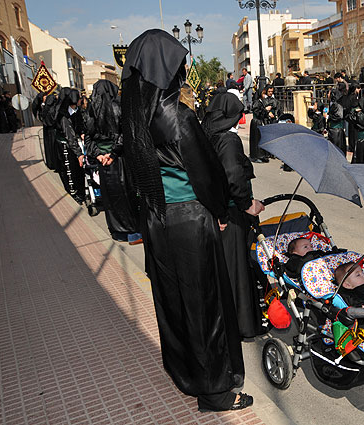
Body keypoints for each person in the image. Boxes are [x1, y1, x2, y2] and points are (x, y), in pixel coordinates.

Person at [120, 29, 250, 412]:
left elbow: (135, 180)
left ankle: (186, 373)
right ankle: (215, 392)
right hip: (190, 221)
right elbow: (206, 174)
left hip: (156, 223)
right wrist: (222, 213)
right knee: (204, 307)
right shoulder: (176, 114)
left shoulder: (133, 114)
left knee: (174, 304)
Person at [202, 92, 267, 338]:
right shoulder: (228, 140)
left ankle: (226, 322)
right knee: (238, 270)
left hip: (217, 211)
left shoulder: (208, 135)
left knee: (225, 269)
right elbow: (233, 176)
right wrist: (247, 203)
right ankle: (242, 325)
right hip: (232, 212)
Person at [85, 79, 142, 244]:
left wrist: (99, 155)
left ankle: (118, 232)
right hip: (120, 160)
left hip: (103, 162)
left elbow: (87, 137)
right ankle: (133, 233)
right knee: (126, 194)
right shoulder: (119, 106)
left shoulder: (91, 110)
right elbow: (125, 133)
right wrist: (113, 153)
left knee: (111, 197)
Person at [52, 87, 85, 203]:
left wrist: (82, 133)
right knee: (69, 170)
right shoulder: (64, 116)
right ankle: (74, 194)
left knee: (78, 170)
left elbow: (79, 125)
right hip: (65, 146)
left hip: (73, 144)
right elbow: (69, 136)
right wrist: (79, 154)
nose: (82, 99)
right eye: (80, 97)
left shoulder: (76, 111)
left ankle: (81, 192)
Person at [249, 85, 278, 163]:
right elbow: (258, 112)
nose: (265, 95)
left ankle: (262, 155)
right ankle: (256, 156)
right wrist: (265, 110)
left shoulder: (262, 101)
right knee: (256, 140)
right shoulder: (257, 102)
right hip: (257, 122)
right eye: (263, 93)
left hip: (261, 122)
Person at [327, 82, 347, 154]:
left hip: (336, 130)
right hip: (333, 129)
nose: (327, 95)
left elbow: (339, 116)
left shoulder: (337, 104)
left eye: (329, 93)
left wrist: (330, 117)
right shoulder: (332, 103)